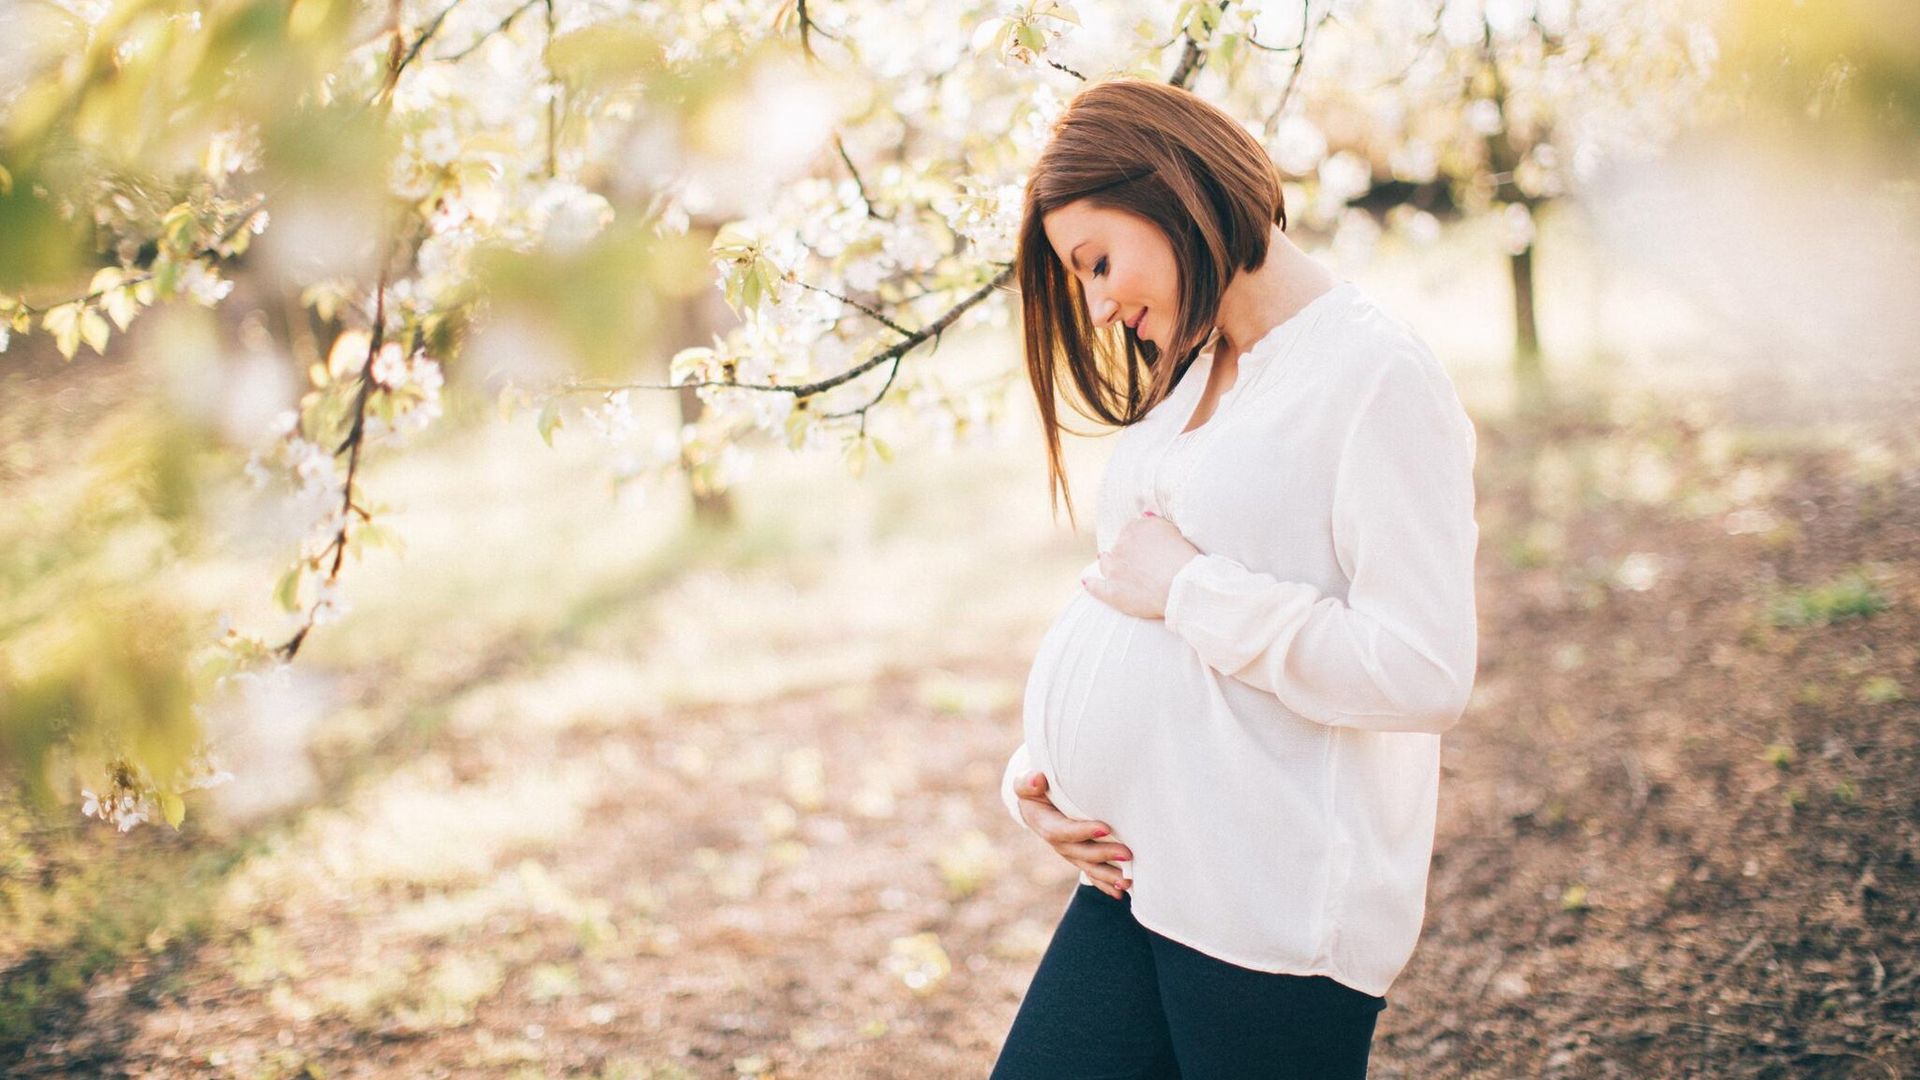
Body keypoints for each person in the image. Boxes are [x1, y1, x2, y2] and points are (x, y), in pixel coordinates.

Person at [990, 77, 1480, 1079]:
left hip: (1268, 908)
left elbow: (1425, 670)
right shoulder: (1197, 369)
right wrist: (1044, 771)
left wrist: (1191, 591)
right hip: (1141, 877)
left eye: (1096, 263)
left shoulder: (1375, 375)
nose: (1096, 303)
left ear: (1173, 191)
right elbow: (1129, 589)